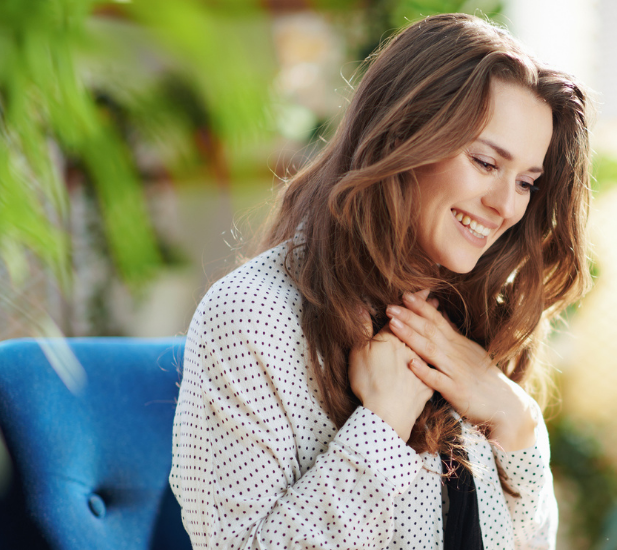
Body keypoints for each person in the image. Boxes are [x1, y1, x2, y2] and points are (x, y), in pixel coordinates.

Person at [169, 12, 591, 550]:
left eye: (527, 182)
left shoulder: (472, 314)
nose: (506, 205)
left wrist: (516, 418)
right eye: (485, 162)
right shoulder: (254, 318)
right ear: (403, 136)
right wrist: (383, 426)